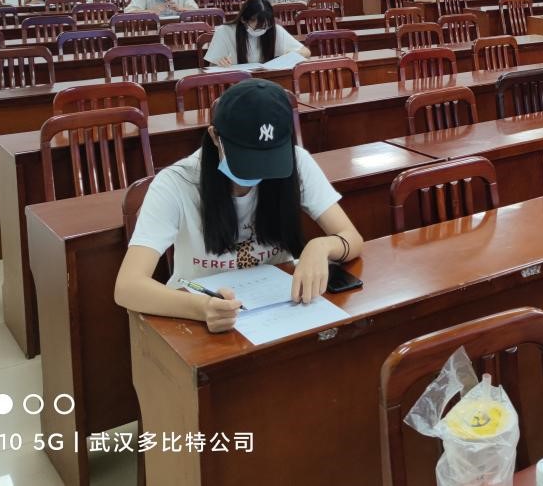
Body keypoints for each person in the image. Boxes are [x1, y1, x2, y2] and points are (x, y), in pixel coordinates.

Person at [114, 79, 364, 331]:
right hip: (198, 323)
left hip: (278, 310)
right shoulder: (176, 183)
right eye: (247, 159)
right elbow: (127, 286)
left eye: (269, 160)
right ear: (215, 137)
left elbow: (351, 237)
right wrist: (201, 308)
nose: (259, 172)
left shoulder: (297, 162)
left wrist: (321, 247)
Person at [205, 0, 309, 66]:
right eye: (258, 27)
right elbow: (212, 66)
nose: (263, 30)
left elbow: (306, 52)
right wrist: (220, 62)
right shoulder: (224, 32)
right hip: (237, 83)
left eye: (266, 26)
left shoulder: (274, 29)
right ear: (243, 19)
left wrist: (292, 54)